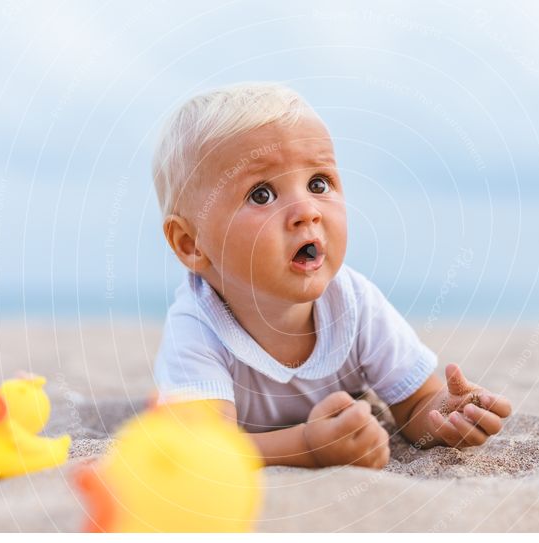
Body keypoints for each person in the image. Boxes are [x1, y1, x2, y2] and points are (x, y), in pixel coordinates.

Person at [151, 83, 511, 469]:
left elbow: (415, 404)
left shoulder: (354, 303)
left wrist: (446, 416)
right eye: (261, 194)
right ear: (190, 244)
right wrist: (308, 446)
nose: (307, 211)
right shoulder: (198, 326)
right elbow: (205, 449)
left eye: (318, 183)